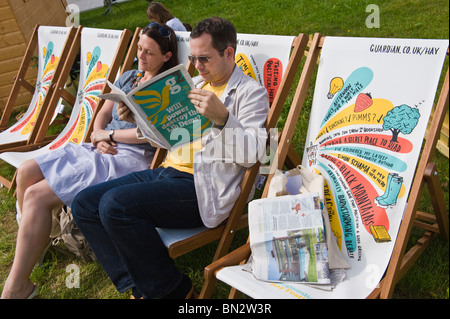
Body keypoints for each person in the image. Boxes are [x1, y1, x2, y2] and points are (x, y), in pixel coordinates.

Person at [71, 17, 269, 299]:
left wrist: (224, 119)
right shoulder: (195, 83)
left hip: (201, 186)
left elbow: (255, 155)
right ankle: (139, 287)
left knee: (115, 205)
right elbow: (166, 137)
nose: (197, 66)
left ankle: (173, 291)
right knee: (84, 204)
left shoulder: (250, 93)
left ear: (228, 53)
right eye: (193, 58)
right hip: (166, 170)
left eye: (204, 58)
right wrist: (138, 119)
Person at [0, 23, 179, 299]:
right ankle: (36, 246)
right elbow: (103, 112)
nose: (141, 57)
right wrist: (97, 133)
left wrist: (109, 134)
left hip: (126, 158)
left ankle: (18, 287)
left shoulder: (166, 89)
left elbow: (151, 137)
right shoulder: (130, 76)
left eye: (149, 53)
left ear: (167, 56)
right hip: (101, 145)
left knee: (36, 195)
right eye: (139, 49)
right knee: (25, 172)